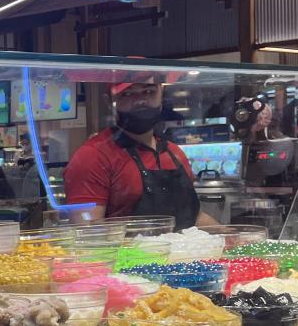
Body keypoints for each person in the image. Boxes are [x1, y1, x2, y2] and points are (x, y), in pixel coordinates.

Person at [64, 82, 216, 230]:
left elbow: (194, 218)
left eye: (149, 92)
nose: (140, 101)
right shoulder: (92, 156)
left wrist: (227, 234)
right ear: (109, 102)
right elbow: (87, 234)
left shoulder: (175, 153)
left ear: (161, 93)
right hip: (130, 249)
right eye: (127, 94)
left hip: (185, 248)